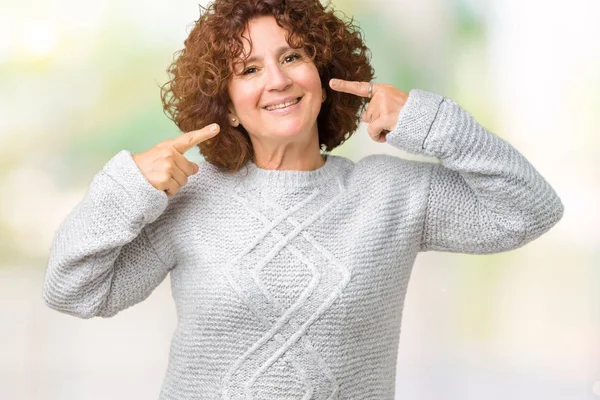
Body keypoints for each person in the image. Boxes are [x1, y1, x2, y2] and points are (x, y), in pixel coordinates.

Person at [43, 0, 564, 398]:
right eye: (248, 69)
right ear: (225, 105)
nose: (277, 80)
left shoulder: (392, 194)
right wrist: (127, 188)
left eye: (292, 56)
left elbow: (530, 209)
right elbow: (74, 291)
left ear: (323, 74)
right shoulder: (190, 199)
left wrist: (429, 122)